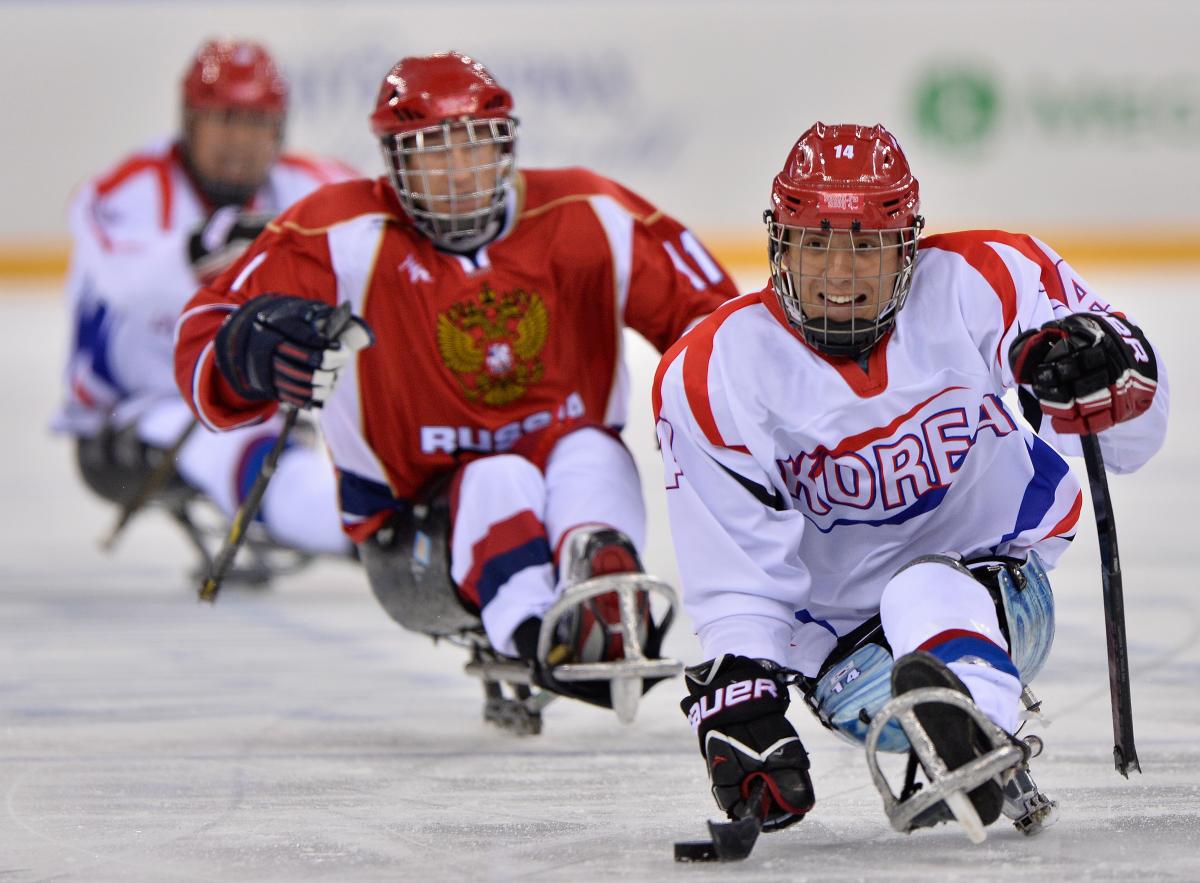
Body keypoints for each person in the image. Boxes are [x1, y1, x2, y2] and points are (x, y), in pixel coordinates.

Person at [173, 51, 737, 725]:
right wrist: (248, 353)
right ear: (393, 162)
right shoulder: (337, 233)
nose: (457, 172)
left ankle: (602, 576)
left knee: (593, 448)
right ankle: (538, 631)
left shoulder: (595, 215)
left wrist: (742, 431)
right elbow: (204, 332)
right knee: (497, 475)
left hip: (562, 474)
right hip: (411, 529)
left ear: (505, 148)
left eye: (473, 145)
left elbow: (719, 332)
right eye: (431, 152)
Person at [654, 122, 1167, 838]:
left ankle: (978, 721)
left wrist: (1109, 377)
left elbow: (1130, 443)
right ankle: (970, 726)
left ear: (907, 246)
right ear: (778, 245)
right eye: (815, 244)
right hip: (853, 669)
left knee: (923, 587)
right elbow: (737, 575)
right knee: (907, 596)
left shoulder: (989, 279)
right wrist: (744, 698)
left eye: (865, 245)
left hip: (1002, 597)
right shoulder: (713, 371)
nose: (838, 275)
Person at [53, 38, 358, 567]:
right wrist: (207, 246)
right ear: (190, 122)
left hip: (268, 387)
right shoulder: (131, 188)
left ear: (279, 131)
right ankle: (360, 530)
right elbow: (121, 280)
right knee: (231, 446)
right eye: (225, 118)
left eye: (258, 122)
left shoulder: (317, 182)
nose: (241, 140)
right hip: (137, 409)